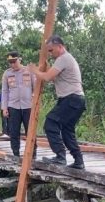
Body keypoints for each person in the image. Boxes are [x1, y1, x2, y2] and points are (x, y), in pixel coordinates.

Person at [27, 35, 86, 169]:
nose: (50, 53)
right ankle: (78, 161)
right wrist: (46, 69)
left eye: (51, 50)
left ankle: (60, 157)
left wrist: (34, 70)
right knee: (67, 131)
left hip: (71, 98)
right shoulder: (65, 59)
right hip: (75, 100)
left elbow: (47, 78)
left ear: (60, 47)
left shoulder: (63, 58)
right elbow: (54, 78)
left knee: (50, 122)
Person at [1, 50, 37, 158]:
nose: (12, 64)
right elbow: (5, 91)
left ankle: (32, 153)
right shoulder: (7, 74)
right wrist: (4, 108)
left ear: (19, 59)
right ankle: (15, 153)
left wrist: (35, 102)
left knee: (30, 131)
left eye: (14, 61)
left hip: (28, 106)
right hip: (13, 106)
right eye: (10, 62)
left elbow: (35, 88)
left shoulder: (29, 71)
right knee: (14, 131)